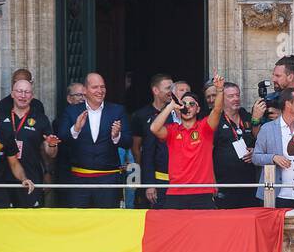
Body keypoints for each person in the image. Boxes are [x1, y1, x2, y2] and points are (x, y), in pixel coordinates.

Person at [54, 71, 130, 208]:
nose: (100, 91)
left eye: (103, 87)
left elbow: (128, 141)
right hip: (79, 180)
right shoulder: (71, 111)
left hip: (108, 180)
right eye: (95, 87)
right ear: (84, 90)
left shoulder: (117, 110)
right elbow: (62, 139)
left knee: (107, 223)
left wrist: (116, 136)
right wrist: (76, 129)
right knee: (79, 223)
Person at [149, 74, 225, 210]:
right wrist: (171, 106)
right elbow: (154, 128)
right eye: (184, 104)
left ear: (198, 109)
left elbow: (218, 110)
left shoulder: (204, 128)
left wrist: (219, 90)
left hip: (202, 193)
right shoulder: (172, 130)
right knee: (174, 230)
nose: (187, 107)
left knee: (203, 231)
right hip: (176, 193)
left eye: (192, 104)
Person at [252, 87, 294, 208]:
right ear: (288, 104)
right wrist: (273, 158)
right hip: (275, 195)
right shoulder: (267, 128)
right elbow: (255, 157)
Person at [0, 77, 56, 200]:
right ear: (12, 94)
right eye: (19, 91)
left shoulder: (41, 119)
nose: (23, 95)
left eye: (27, 92)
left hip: (32, 176)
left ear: (32, 96)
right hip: (2, 176)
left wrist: (52, 145)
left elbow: (51, 154)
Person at [211, 82, 259, 208]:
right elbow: (207, 153)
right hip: (225, 184)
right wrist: (212, 181)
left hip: (249, 183)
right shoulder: (215, 120)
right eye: (231, 96)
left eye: (237, 95)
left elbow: (259, 141)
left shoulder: (247, 116)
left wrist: (255, 151)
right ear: (221, 99)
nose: (236, 99)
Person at [133, 72, 176, 210]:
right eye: (168, 88)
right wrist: (148, 182)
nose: (172, 92)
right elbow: (138, 150)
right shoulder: (141, 115)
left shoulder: (177, 113)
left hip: (179, 178)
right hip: (157, 178)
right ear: (156, 90)